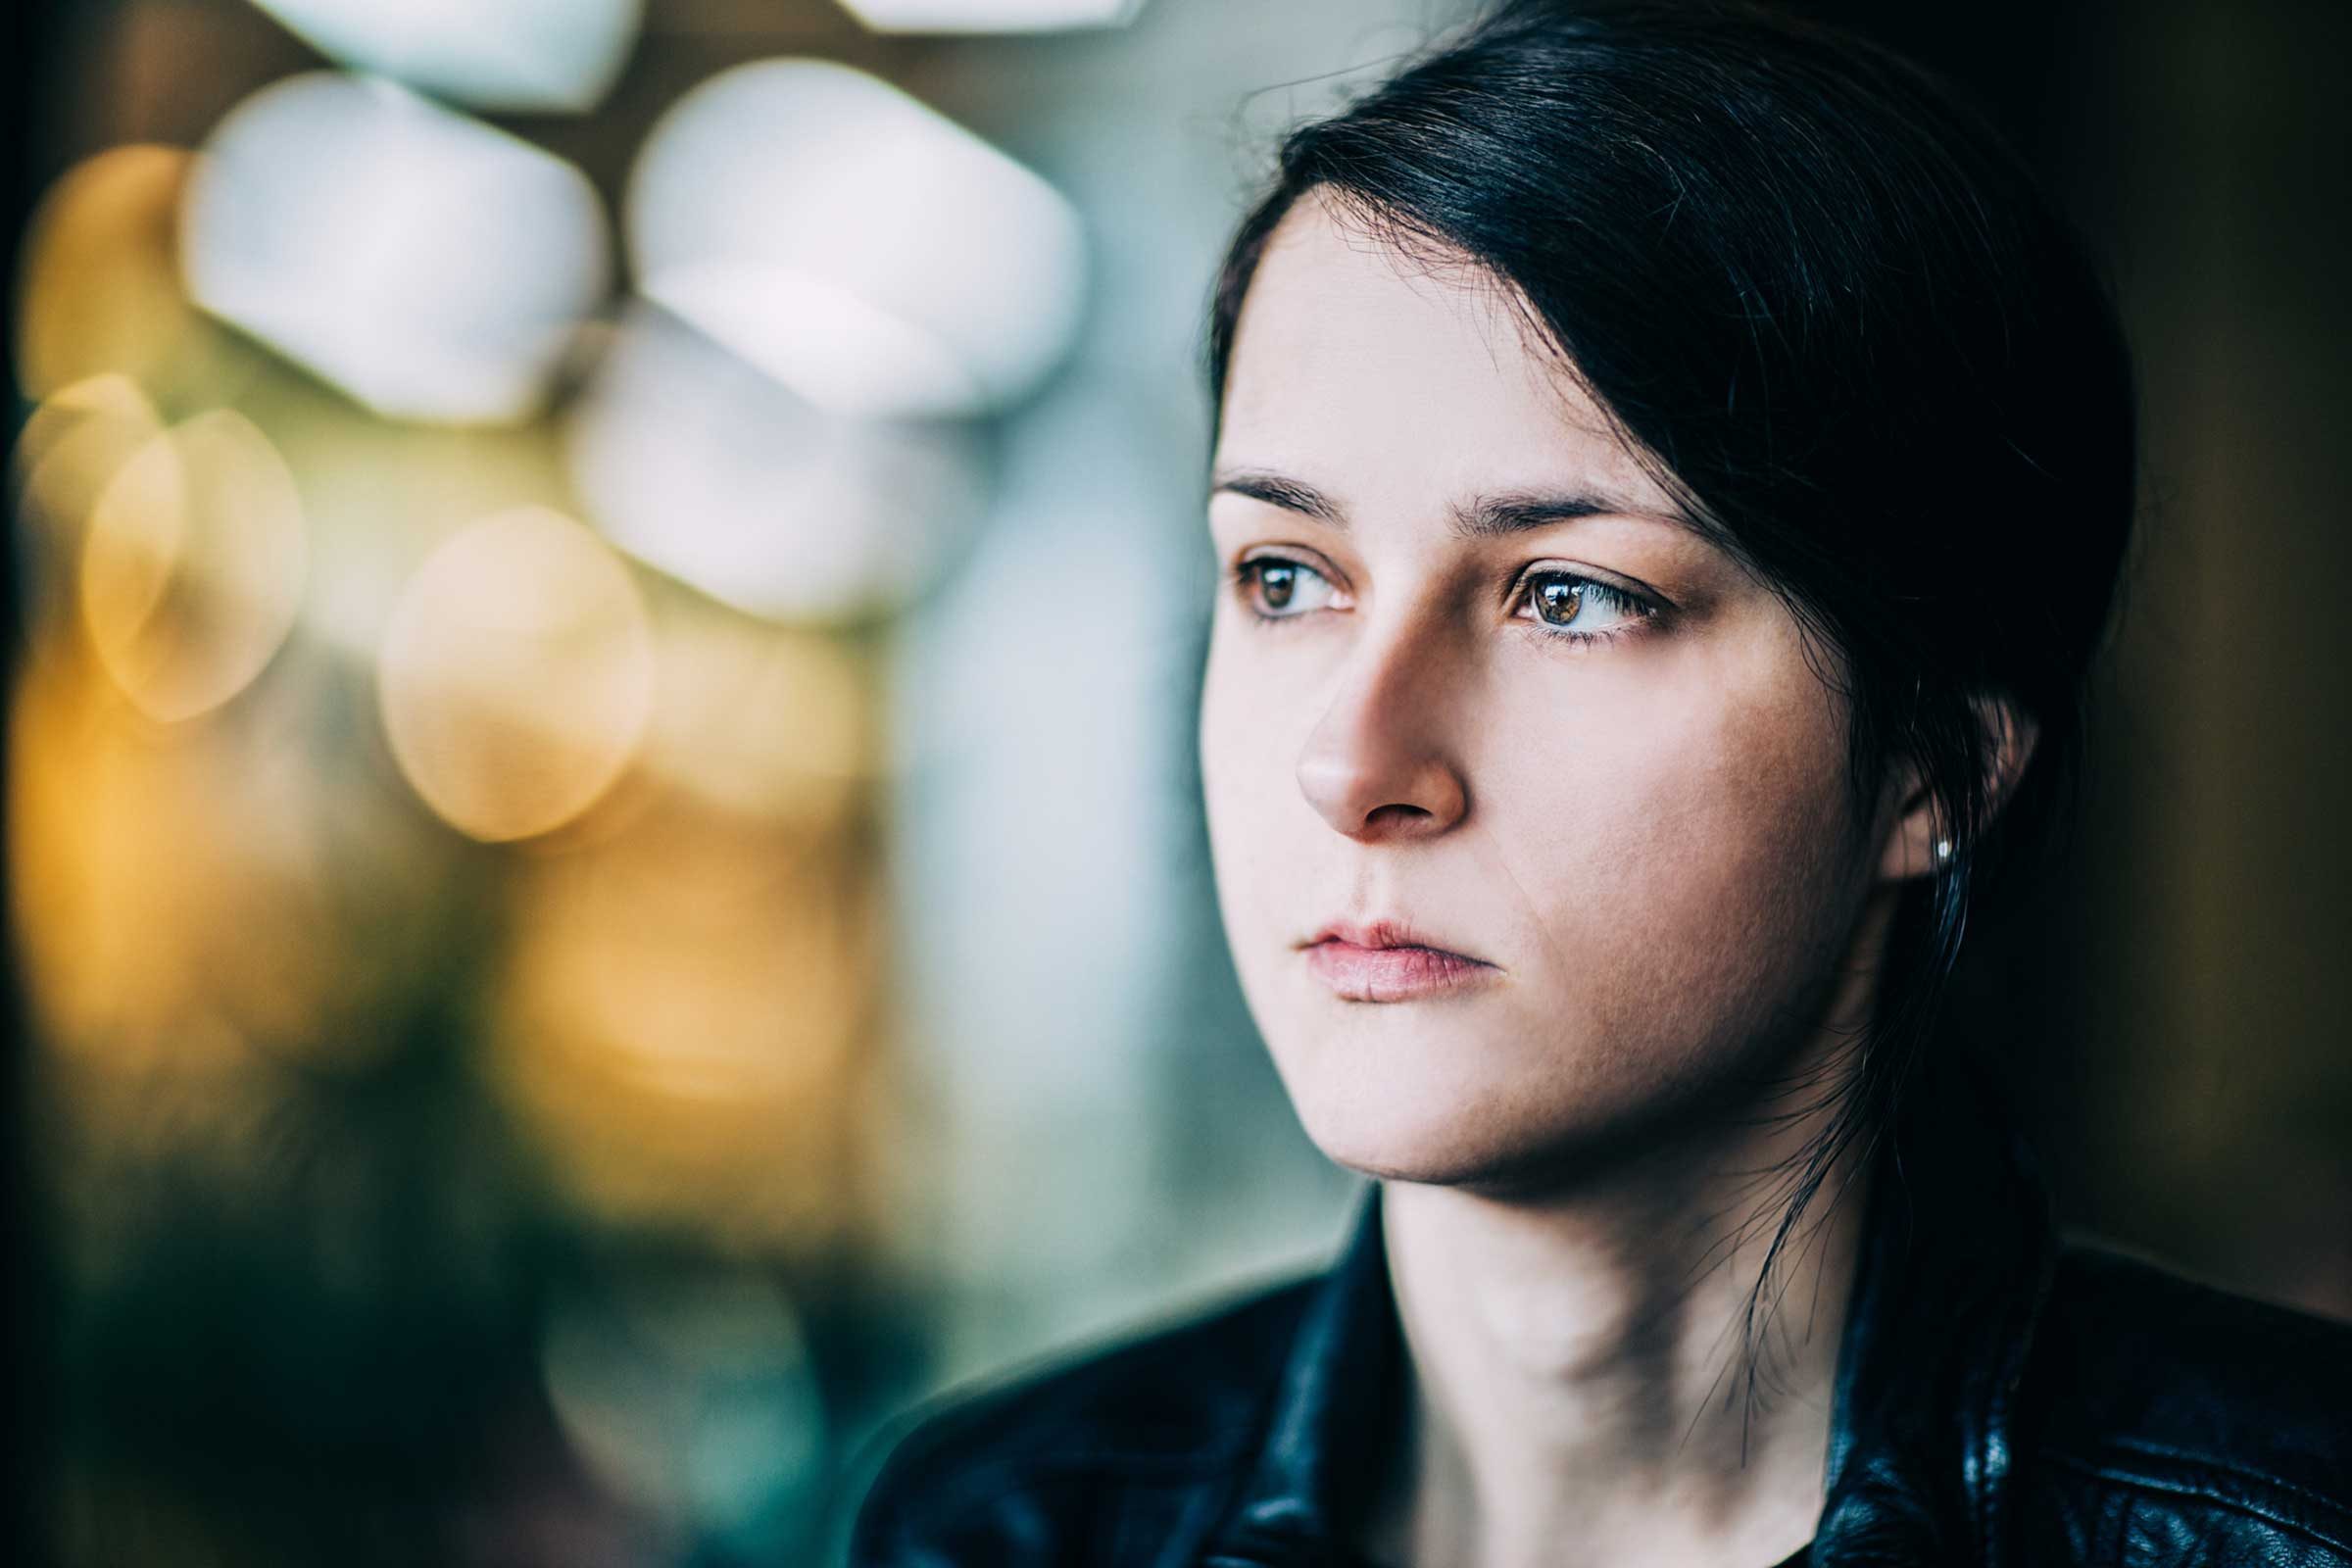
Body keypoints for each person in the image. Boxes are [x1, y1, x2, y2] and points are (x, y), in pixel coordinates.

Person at [848, 2, 2352, 1563]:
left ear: (1936, 766)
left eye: (1571, 595)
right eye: (1288, 576)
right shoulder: (1003, 1525)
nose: (1354, 764)